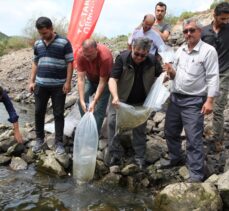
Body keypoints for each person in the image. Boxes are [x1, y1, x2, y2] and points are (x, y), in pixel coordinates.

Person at [162, 18, 219, 182]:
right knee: (170, 132)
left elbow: (213, 77)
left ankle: (195, 174)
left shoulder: (208, 51)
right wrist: (170, 73)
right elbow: (174, 75)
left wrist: (209, 101)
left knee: (193, 138)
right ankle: (175, 158)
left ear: (200, 31)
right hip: (175, 99)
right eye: (185, 31)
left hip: (194, 102)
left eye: (192, 30)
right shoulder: (180, 50)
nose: (188, 34)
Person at [108, 37, 162, 169]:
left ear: (148, 52)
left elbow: (161, 76)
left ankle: (139, 157)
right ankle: (114, 154)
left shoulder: (152, 61)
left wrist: (167, 75)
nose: (139, 57)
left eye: (143, 55)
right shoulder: (122, 58)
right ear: (132, 48)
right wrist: (115, 96)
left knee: (139, 128)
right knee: (113, 123)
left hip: (141, 102)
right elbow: (112, 79)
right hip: (120, 100)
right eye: (136, 54)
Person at [29, 17, 74, 154]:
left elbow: (70, 62)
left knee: (58, 114)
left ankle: (59, 143)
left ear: (51, 28)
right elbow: (35, 62)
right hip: (41, 85)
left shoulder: (64, 42)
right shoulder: (38, 44)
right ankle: (39, 139)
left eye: (45, 33)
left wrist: (67, 82)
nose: (43, 36)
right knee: (38, 112)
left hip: (58, 86)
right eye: (41, 33)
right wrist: (31, 81)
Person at [201, 2, 229, 153]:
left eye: (227, 19)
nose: (225, 22)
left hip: (224, 73)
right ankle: (197, 136)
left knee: (218, 108)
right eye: (222, 19)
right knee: (200, 105)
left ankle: (217, 139)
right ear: (214, 15)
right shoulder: (203, 32)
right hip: (205, 75)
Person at [76, 39, 113, 135]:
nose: (87, 58)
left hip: (104, 82)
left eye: (90, 55)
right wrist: (82, 100)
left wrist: (94, 101)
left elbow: (102, 82)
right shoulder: (80, 55)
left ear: (96, 50)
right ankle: (86, 123)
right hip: (90, 79)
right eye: (85, 55)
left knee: (99, 109)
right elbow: (81, 79)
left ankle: (94, 134)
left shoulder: (105, 57)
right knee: (81, 101)